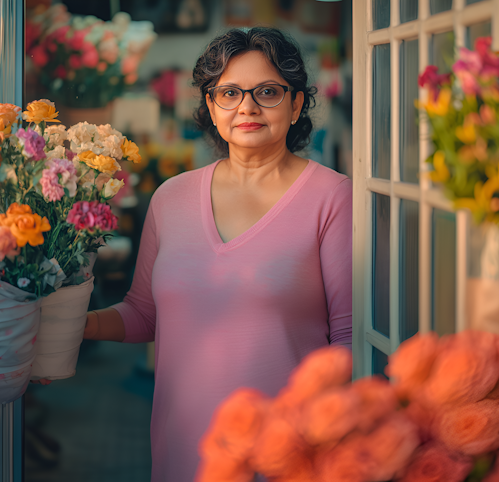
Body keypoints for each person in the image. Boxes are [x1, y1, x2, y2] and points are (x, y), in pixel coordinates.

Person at [82, 27, 352, 481]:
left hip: (287, 458)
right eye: (229, 92)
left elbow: (349, 340)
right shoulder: (171, 198)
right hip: (183, 453)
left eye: (267, 91)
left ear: (297, 103)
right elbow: (143, 315)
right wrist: (70, 327)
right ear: (211, 105)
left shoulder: (332, 196)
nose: (247, 106)